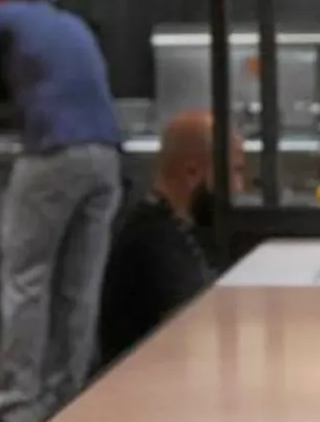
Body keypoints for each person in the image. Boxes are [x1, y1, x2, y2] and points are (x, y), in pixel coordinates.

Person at [0, 0, 125, 422]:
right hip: (105, 157)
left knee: (27, 280)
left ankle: (17, 403)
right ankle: (68, 398)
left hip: (53, 155)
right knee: (79, 286)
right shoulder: (71, 24)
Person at [96, 110, 244, 368]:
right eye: (235, 172)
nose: (239, 188)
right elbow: (197, 331)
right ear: (192, 172)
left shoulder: (179, 227)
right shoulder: (153, 243)